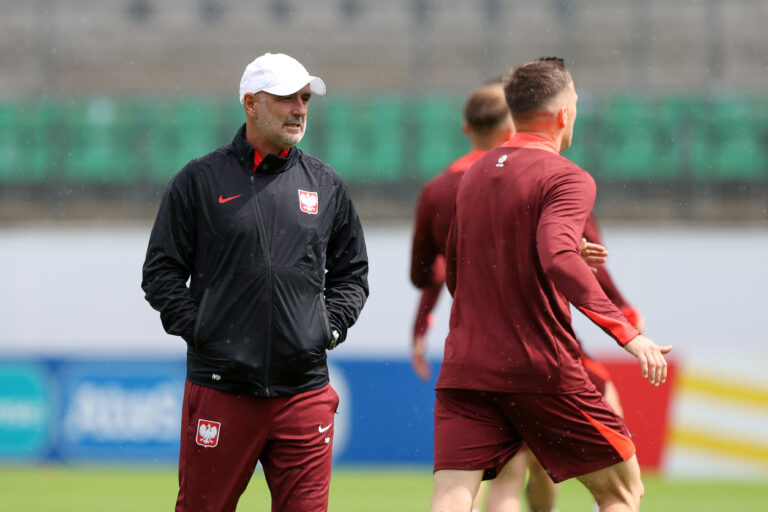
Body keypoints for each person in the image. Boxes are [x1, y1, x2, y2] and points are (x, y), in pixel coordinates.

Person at [430, 57, 671, 512]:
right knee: (622, 490)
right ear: (563, 114)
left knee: (451, 497)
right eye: (575, 102)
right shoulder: (567, 176)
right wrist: (629, 334)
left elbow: (459, 273)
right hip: (538, 368)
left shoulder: (475, 174)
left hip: (465, 368)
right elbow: (558, 255)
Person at [141, 52, 369, 512]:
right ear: (250, 103)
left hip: (304, 391)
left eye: (304, 97)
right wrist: (205, 330)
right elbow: (160, 273)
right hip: (223, 389)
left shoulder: (325, 184)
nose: (300, 108)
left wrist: (328, 327)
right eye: (286, 97)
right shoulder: (199, 180)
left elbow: (352, 274)